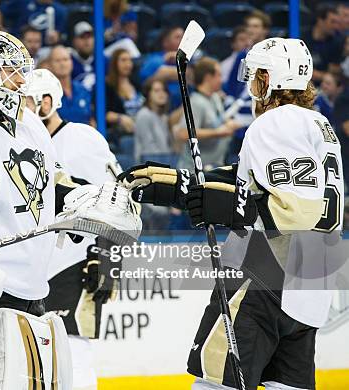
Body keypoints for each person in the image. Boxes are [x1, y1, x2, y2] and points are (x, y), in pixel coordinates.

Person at [0, 28, 140, 389]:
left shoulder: (30, 123)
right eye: (11, 71)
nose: (21, 80)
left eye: (22, 70)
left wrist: (86, 198)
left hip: (34, 288)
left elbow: (54, 184)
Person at [124, 37, 344, 390]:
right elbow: (256, 182)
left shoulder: (274, 123)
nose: (251, 84)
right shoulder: (318, 124)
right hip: (313, 278)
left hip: (264, 270)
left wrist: (230, 208)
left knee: (216, 383)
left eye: (256, 75)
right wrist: (179, 185)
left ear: (272, 78)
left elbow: (295, 210)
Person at [25, 69, 123, 390]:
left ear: (48, 101)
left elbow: (117, 198)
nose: (21, 106)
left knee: (73, 349)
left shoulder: (82, 138)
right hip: (34, 264)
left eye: (28, 100)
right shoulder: (20, 140)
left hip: (78, 261)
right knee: (38, 357)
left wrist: (107, 256)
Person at [173, 57, 241, 170]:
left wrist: (229, 123)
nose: (221, 79)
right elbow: (183, 133)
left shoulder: (215, 97)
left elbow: (220, 119)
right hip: (194, 171)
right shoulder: (196, 102)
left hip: (214, 166)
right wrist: (217, 133)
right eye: (219, 75)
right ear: (208, 78)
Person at [138, 26, 184, 109]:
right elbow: (144, 84)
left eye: (184, 37)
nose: (183, 40)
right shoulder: (155, 60)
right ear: (165, 42)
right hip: (161, 109)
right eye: (178, 37)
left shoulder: (190, 60)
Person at [48, 45, 93, 125]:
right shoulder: (47, 92)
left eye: (65, 59)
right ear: (50, 65)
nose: (62, 64)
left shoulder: (83, 90)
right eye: (58, 60)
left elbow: (91, 119)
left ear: (71, 63)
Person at [105, 48, 143, 137]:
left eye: (130, 60)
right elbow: (103, 113)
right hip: (121, 132)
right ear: (114, 63)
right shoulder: (107, 86)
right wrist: (120, 118)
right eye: (123, 60)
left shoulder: (136, 83)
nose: (128, 64)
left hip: (141, 128)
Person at [134, 78, 172, 164]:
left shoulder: (164, 117)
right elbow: (149, 149)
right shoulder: (143, 115)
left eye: (164, 90)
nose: (162, 94)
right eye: (156, 90)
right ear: (148, 95)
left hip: (164, 165)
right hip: (148, 168)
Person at [304, 3, 344, 83]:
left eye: (337, 22)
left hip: (324, 87)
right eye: (332, 22)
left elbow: (334, 71)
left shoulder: (336, 43)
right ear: (320, 20)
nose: (336, 26)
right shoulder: (303, 38)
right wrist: (322, 75)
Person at [70, 21, 95, 91]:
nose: (87, 41)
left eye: (89, 37)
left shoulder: (102, 60)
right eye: (82, 37)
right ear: (74, 41)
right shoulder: (68, 61)